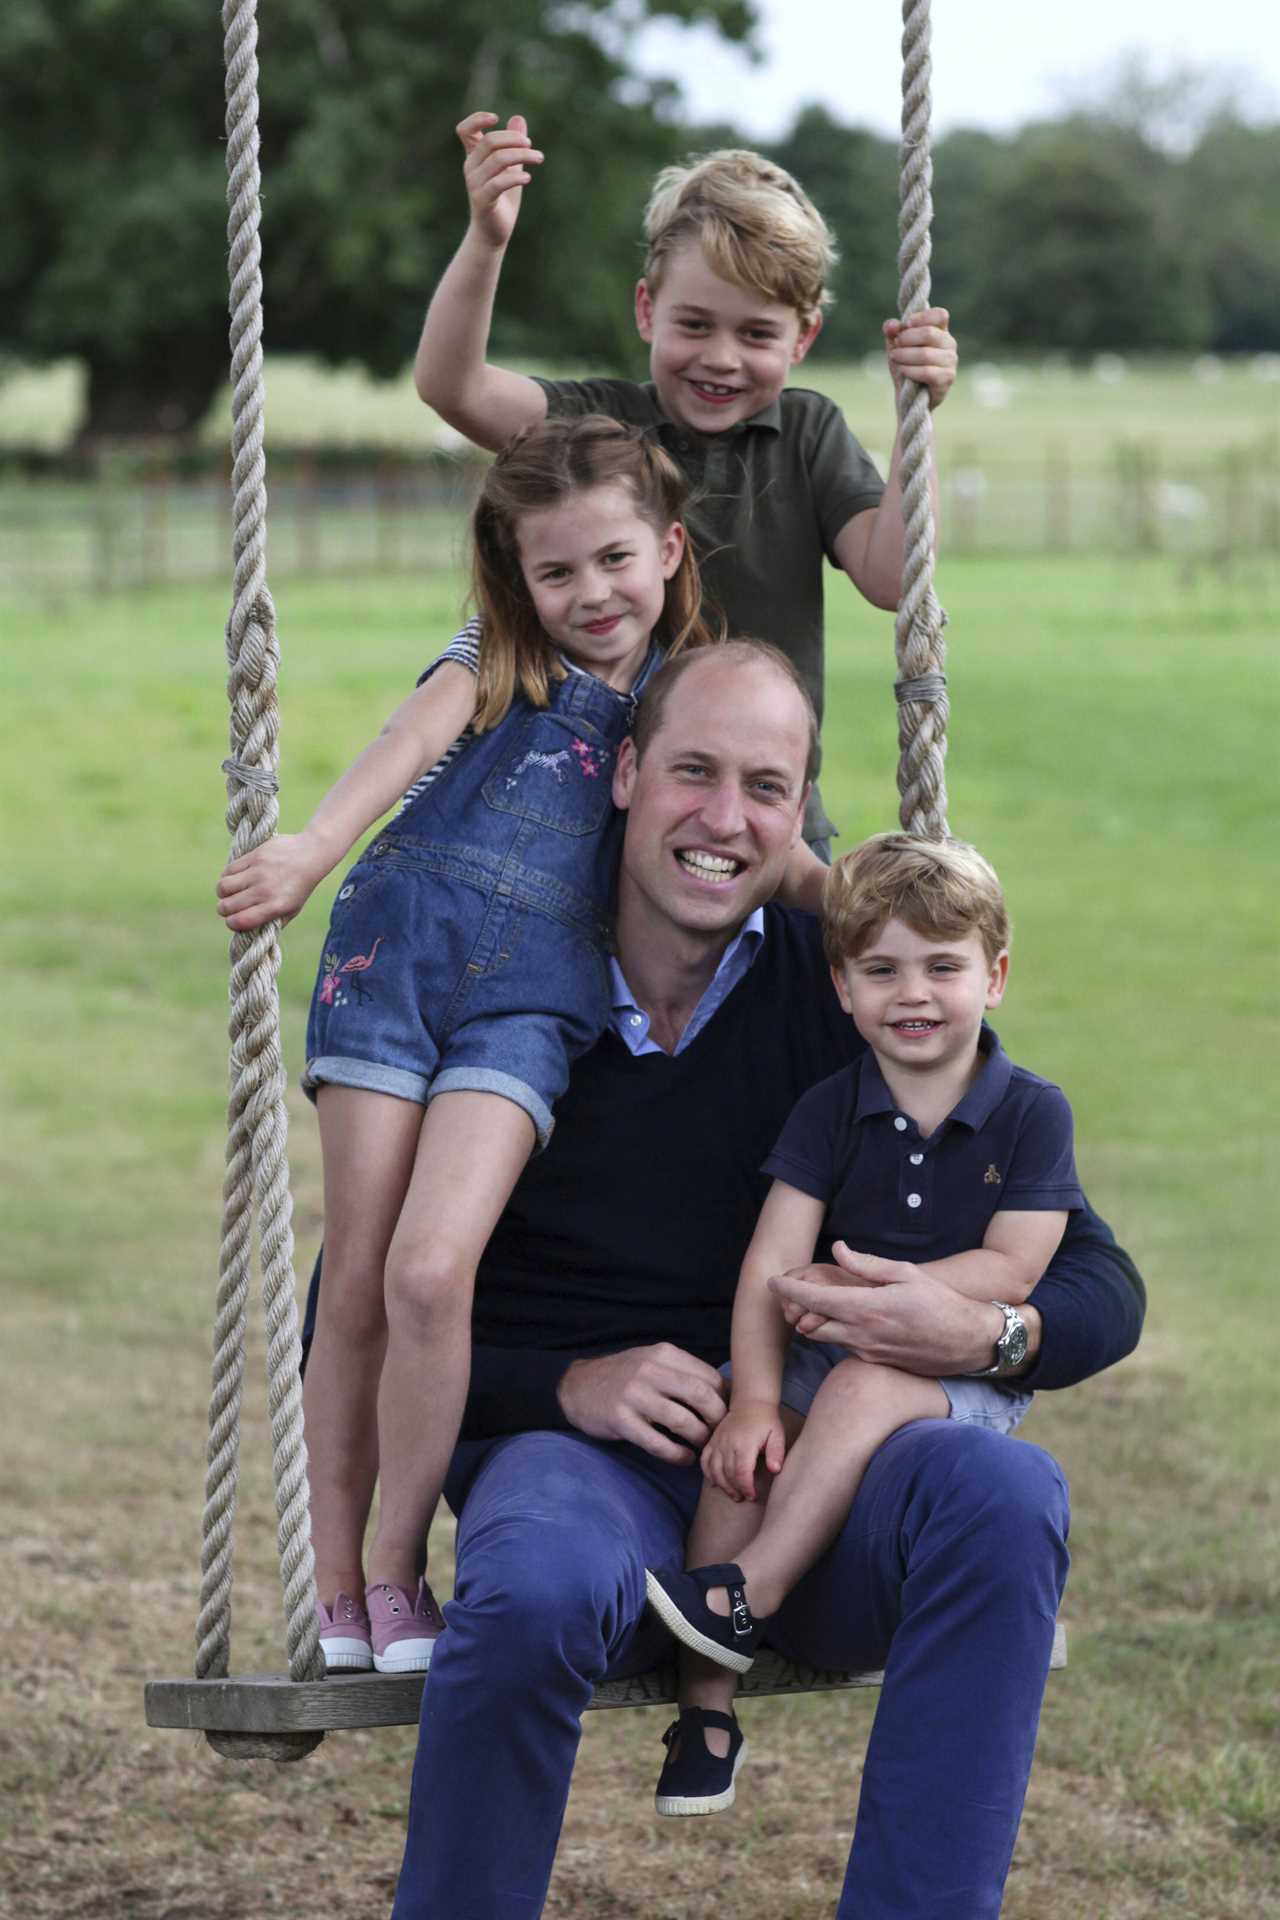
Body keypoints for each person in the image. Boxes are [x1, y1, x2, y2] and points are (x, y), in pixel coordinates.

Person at [372, 641, 1146, 1920]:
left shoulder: (842, 995)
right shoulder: (504, 993)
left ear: (797, 817)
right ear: (623, 773)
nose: (722, 820)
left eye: (765, 787)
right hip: (588, 1471)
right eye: (691, 772)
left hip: (819, 1485)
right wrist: (565, 1383)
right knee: (535, 1581)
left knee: (1001, 1491)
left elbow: (1096, 1282)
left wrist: (981, 1330)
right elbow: (353, 1319)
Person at [215, 414, 727, 1677]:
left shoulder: (683, 692)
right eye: (556, 572)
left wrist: (865, 905)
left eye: (612, 560)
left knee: (433, 1274)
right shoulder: (497, 650)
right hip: (395, 955)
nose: (589, 594)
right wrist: (308, 849)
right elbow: (406, 744)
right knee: (359, 1277)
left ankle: (398, 1565)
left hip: (533, 997)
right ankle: (339, 1586)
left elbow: (740, 824)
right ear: (518, 579)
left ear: (665, 548)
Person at [643, 832, 1085, 1816]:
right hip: (826, 1341)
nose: (913, 993)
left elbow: (1015, 1265)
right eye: (881, 970)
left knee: (861, 1382)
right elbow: (769, 1265)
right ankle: (705, 1708)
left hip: (954, 1365)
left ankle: (749, 1588)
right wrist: (754, 1401)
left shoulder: (1029, 1115)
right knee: (736, 1455)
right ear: (841, 987)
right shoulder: (828, 1109)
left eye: (942, 966)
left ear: (994, 975)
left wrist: (891, 1299)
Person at [413, 122, 959, 850]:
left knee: (804, 956)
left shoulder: (807, 434)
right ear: (647, 310)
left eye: (757, 335)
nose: (721, 358)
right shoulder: (600, 427)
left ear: (803, 339)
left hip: (766, 819)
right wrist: (487, 238)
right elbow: (453, 387)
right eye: (694, 324)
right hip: (602, 822)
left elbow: (894, 577)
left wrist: (914, 419)